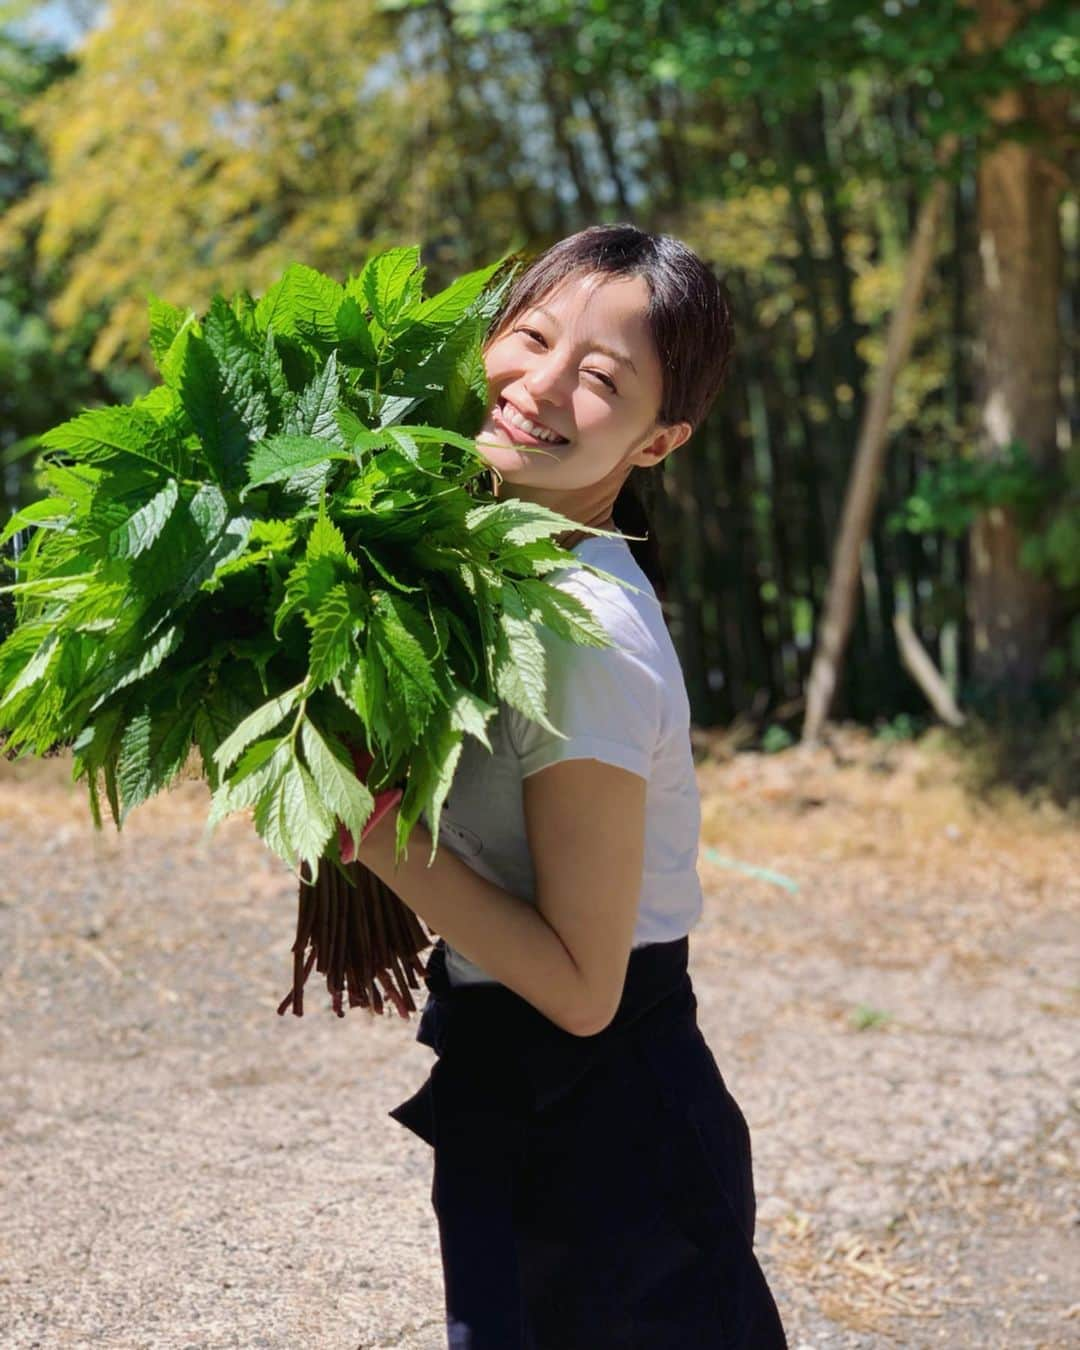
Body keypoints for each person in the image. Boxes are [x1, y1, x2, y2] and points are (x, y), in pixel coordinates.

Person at [347, 223, 789, 1348]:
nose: (538, 386)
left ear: (660, 441)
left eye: (601, 379)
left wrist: (370, 830)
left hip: (607, 1131)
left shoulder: (583, 634)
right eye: (530, 337)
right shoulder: (500, 568)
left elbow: (585, 987)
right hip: (541, 1097)